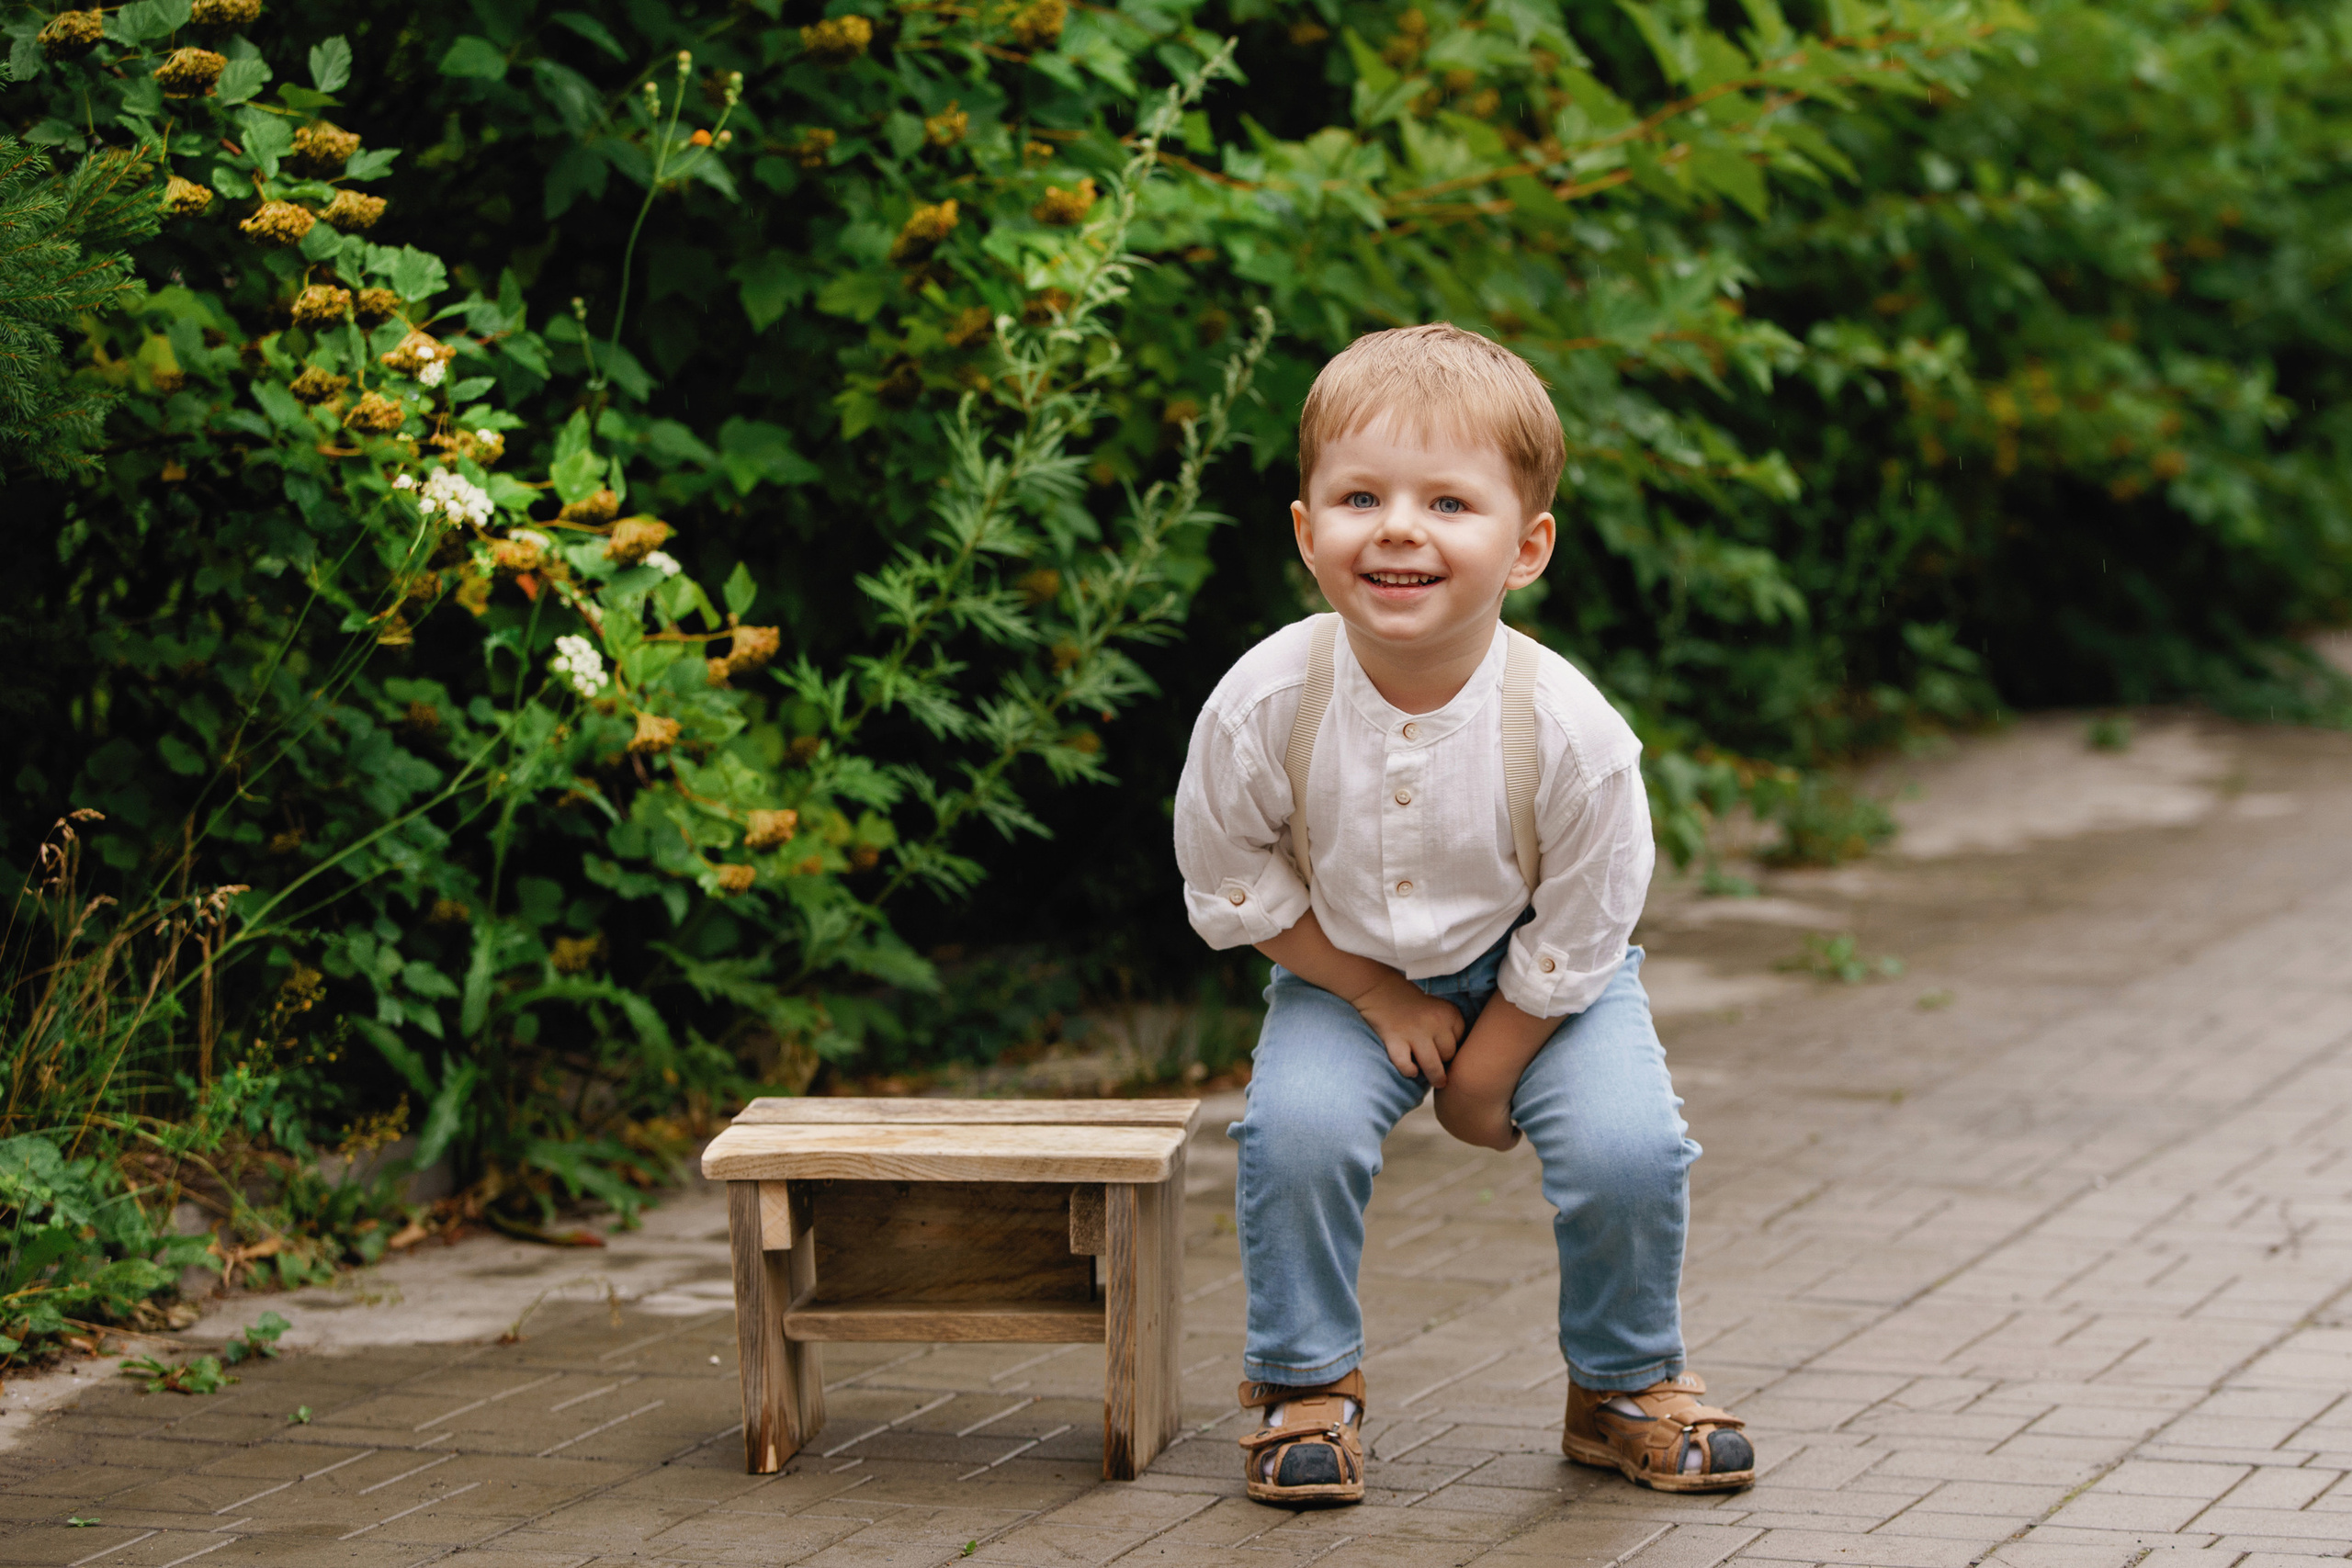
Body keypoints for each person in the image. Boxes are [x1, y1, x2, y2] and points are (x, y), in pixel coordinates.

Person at [1173, 323, 1755, 1506]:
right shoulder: (1265, 702)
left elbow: (1590, 922)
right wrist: (1373, 992)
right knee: (1293, 1136)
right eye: (1359, 496)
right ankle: (1305, 1385)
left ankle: (1625, 1383)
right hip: (1338, 965)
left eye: (1449, 501)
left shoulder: (1573, 731)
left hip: (1548, 979)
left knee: (1628, 1151)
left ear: (1526, 547)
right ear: (1306, 531)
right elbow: (1232, 878)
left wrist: (1488, 1072)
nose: (1398, 527)